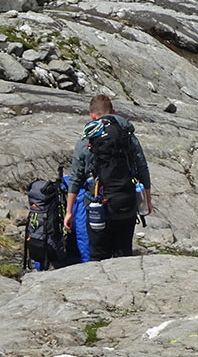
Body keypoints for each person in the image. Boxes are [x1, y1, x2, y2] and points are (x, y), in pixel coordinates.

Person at [64, 94, 152, 260]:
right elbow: (142, 168)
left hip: (98, 207)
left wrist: (69, 212)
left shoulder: (87, 141)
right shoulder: (128, 136)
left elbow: (76, 178)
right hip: (126, 203)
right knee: (124, 255)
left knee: (98, 256)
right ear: (114, 112)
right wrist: (147, 200)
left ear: (92, 115)